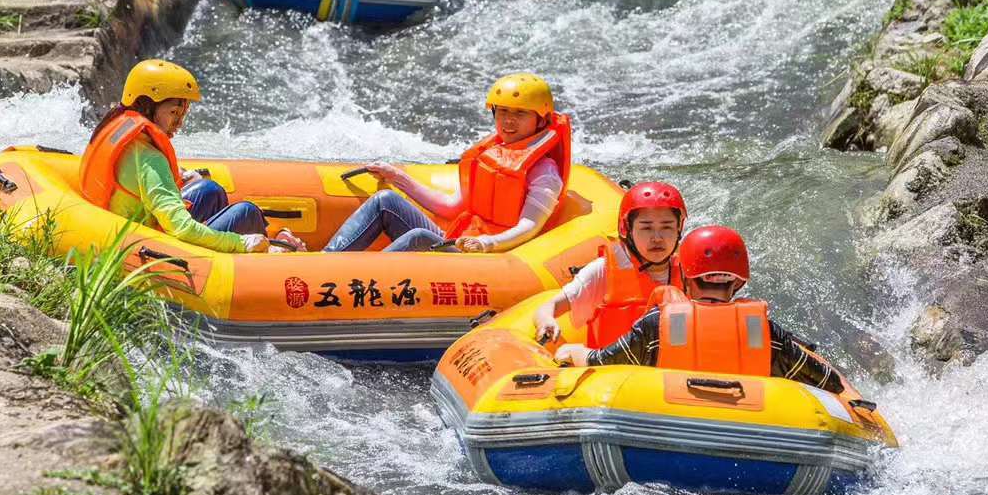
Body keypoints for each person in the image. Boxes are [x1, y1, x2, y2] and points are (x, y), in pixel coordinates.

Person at [555, 226, 848, 394]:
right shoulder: (764, 331)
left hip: (664, 430)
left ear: (686, 276)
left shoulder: (657, 325)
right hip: (750, 432)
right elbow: (829, 382)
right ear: (739, 281)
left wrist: (572, 352)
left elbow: (603, 362)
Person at [324, 73, 571, 254]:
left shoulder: (544, 172)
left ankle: (354, 277)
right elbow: (450, 207)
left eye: (520, 113)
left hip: (488, 256)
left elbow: (529, 226)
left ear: (541, 119)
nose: (508, 121)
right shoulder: (493, 154)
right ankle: (327, 262)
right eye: (503, 111)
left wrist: (487, 243)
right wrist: (397, 177)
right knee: (385, 201)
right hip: (460, 242)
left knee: (419, 238)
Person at [79, 59, 305, 254]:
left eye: (183, 113)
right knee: (246, 212)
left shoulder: (126, 135)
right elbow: (182, 229)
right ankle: (270, 252)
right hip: (150, 244)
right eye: (173, 113)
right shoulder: (150, 160)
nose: (179, 123)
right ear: (147, 105)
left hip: (122, 224)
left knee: (210, 190)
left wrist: (174, 175)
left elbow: (137, 178)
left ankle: (224, 238)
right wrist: (240, 242)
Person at [533, 181, 685, 350]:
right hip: (611, 371)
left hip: (670, 371)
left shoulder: (689, 275)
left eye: (667, 227)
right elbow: (549, 307)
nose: (657, 237)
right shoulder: (603, 271)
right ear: (627, 229)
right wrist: (546, 320)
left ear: (679, 229)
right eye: (646, 228)